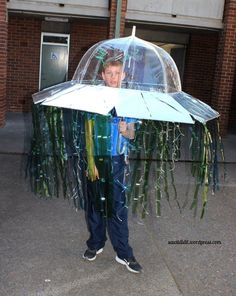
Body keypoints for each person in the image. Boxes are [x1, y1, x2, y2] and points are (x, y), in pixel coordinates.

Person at [82, 59, 142, 273]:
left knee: (116, 208)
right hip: (96, 159)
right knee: (96, 205)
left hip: (117, 161)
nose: (113, 77)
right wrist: (91, 163)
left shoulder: (129, 102)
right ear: (103, 75)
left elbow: (133, 135)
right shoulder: (94, 100)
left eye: (117, 73)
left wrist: (126, 129)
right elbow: (87, 132)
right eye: (109, 73)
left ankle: (123, 253)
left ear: (123, 76)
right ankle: (95, 244)